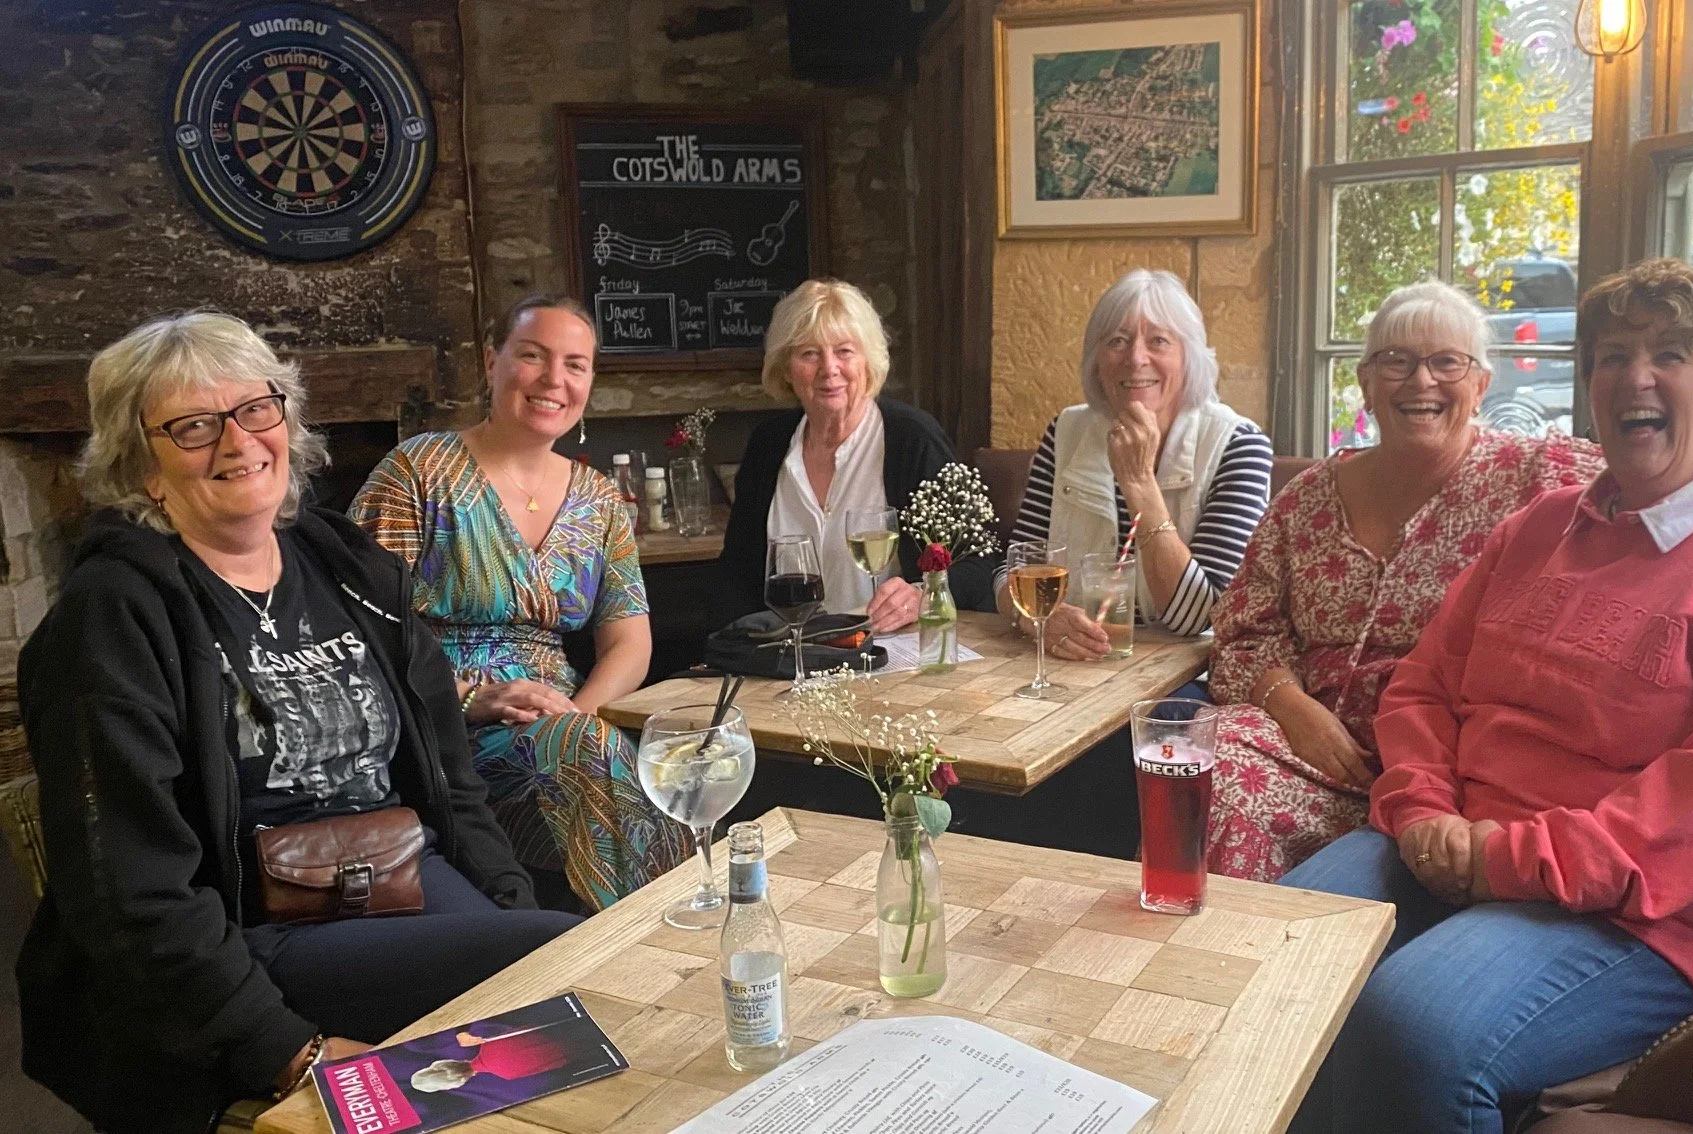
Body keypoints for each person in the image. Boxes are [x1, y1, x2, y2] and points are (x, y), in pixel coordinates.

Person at [1282, 260, 1693, 1133]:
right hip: (1457, 844)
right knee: (1275, 944)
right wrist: (1425, 811)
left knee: (1412, 1024)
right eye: (1612, 357)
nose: (1635, 377)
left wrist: (1506, 859)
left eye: (1669, 356)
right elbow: (1424, 689)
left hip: (1649, 914)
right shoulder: (1541, 526)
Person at [16, 312, 580, 1134]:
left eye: (256, 409)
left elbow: (450, 782)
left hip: (402, 877)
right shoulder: (111, 617)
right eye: (193, 426)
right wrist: (289, 1052)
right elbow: (129, 891)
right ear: (141, 467)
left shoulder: (348, 568)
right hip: (250, 931)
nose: (239, 441)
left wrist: (502, 910)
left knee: (561, 970)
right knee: (559, 970)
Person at [1206, 281, 1603, 882]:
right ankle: (1201, 935)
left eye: (1447, 362)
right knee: (1208, 762)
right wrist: (1291, 707)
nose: (1422, 381)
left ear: (1481, 386)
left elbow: (1666, 483)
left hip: (1450, 778)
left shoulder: (1539, 477)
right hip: (1307, 755)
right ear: (1366, 383)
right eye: (1397, 361)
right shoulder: (1307, 498)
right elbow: (1242, 631)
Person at [351, 295, 686, 911]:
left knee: (659, 756)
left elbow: (629, 641)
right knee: (599, 758)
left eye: (575, 365)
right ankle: (661, 929)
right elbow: (356, 632)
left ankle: (632, 929)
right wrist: (469, 697)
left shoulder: (600, 500)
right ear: (491, 362)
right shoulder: (417, 472)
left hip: (566, 722)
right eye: (532, 356)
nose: (554, 379)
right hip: (440, 724)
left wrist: (575, 716)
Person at [998, 269, 1272, 651]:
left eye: (1158, 341)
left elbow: (1198, 617)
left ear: (1189, 358)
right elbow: (1012, 572)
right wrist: (1036, 620)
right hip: (1074, 663)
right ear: (1096, 361)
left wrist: (1139, 480)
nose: (1136, 359)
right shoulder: (1066, 432)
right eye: (1117, 341)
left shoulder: (1239, 446)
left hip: (1183, 673)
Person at [722, 278, 997, 625]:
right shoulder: (768, 444)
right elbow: (735, 575)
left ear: (867, 361)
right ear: (786, 369)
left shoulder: (912, 439)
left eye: (844, 351)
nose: (829, 369)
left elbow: (979, 564)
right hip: (790, 649)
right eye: (809, 354)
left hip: (890, 646)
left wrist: (921, 596)